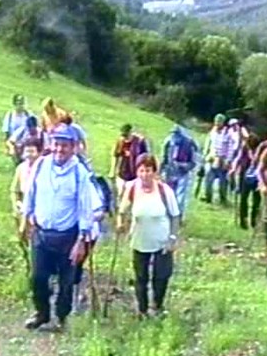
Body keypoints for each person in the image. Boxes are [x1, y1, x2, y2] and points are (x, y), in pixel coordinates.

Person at [21, 124, 99, 332]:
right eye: (56, 144)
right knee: (38, 277)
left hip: (68, 237)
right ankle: (42, 313)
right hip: (42, 234)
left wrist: (81, 241)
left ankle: (61, 317)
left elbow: (85, 208)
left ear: (73, 147)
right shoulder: (40, 165)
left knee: (67, 282)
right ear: (50, 144)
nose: (59, 149)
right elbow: (30, 192)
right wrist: (25, 219)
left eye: (64, 145)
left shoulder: (80, 173)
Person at [116, 154, 181, 319]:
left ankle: (157, 306)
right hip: (140, 239)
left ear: (154, 172)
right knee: (140, 277)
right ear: (137, 171)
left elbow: (175, 215)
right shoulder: (131, 188)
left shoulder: (164, 191)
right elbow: (122, 210)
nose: (145, 175)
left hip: (162, 240)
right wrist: (120, 223)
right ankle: (142, 309)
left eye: (149, 170)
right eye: (142, 170)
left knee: (161, 276)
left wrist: (172, 238)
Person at [160, 125, 199, 222]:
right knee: (168, 195)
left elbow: (193, 162)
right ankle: (167, 216)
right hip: (169, 172)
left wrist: (183, 166)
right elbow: (163, 158)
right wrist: (160, 172)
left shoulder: (189, 144)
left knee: (180, 198)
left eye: (177, 134)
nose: (175, 137)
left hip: (183, 174)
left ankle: (178, 217)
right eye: (173, 134)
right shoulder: (168, 142)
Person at [202, 113, 235, 206]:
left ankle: (223, 198)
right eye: (216, 122)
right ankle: (208, 197)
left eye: (219, 122)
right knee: (208, 178)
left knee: (223, 181)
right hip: (212, 158)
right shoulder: (212, 132)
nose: (217, 124)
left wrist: (228, 160)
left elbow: (230, 148)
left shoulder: (228, 134)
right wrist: (205, 155)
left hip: (223, 159)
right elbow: (208, 143)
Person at [109, 124, 149, 198]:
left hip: (135, 174)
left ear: (131, 132)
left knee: (132, 196)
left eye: (126, 135)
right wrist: (112, 171)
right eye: (123, 136)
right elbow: (115, 156)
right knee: (120, 193)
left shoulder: (140, 142)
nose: (125, 138)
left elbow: (146, 158)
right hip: (122, 173)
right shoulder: (120, 142)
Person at [232, 133, 262, 230]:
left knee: (255, 200)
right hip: (244, 176)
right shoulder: (244, 148)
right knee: (244, 198)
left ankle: (253, 220)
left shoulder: (260, 151)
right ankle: (243, 220)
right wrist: (234, 169)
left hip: (256, 177)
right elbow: (238, 159)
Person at [10, 137, 43, 222]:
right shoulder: (21, 168)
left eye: (32, 151)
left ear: (39, 153)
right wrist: (16, 205)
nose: (29, 155)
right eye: (27, 151)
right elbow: (14, 190)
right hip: (22, 208)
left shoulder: (43, 168)